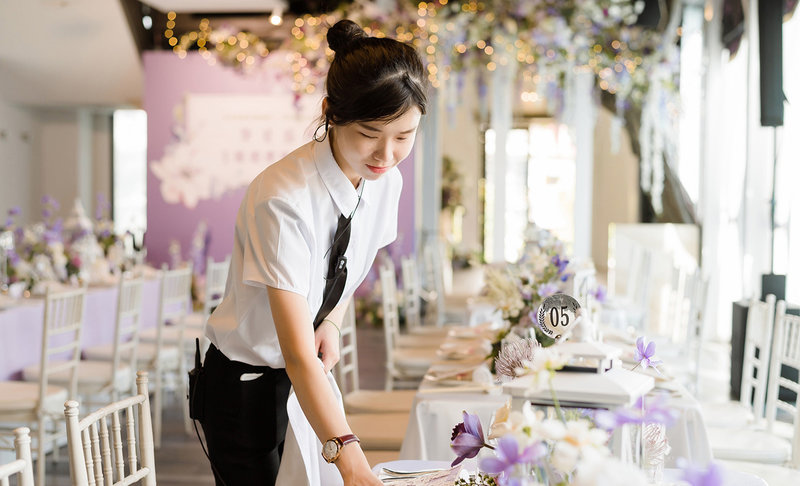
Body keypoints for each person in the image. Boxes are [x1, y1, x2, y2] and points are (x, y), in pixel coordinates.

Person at [198, 18, 428, 486]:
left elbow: (354, 259)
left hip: (301, 377)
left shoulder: (387, 182)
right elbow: (298, 354)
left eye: (404, 136)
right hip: (246, 387)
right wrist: (350, 458)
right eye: (369, 133)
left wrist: (334, 319)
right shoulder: (283, 198)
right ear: (330, 112)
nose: (386, 154)